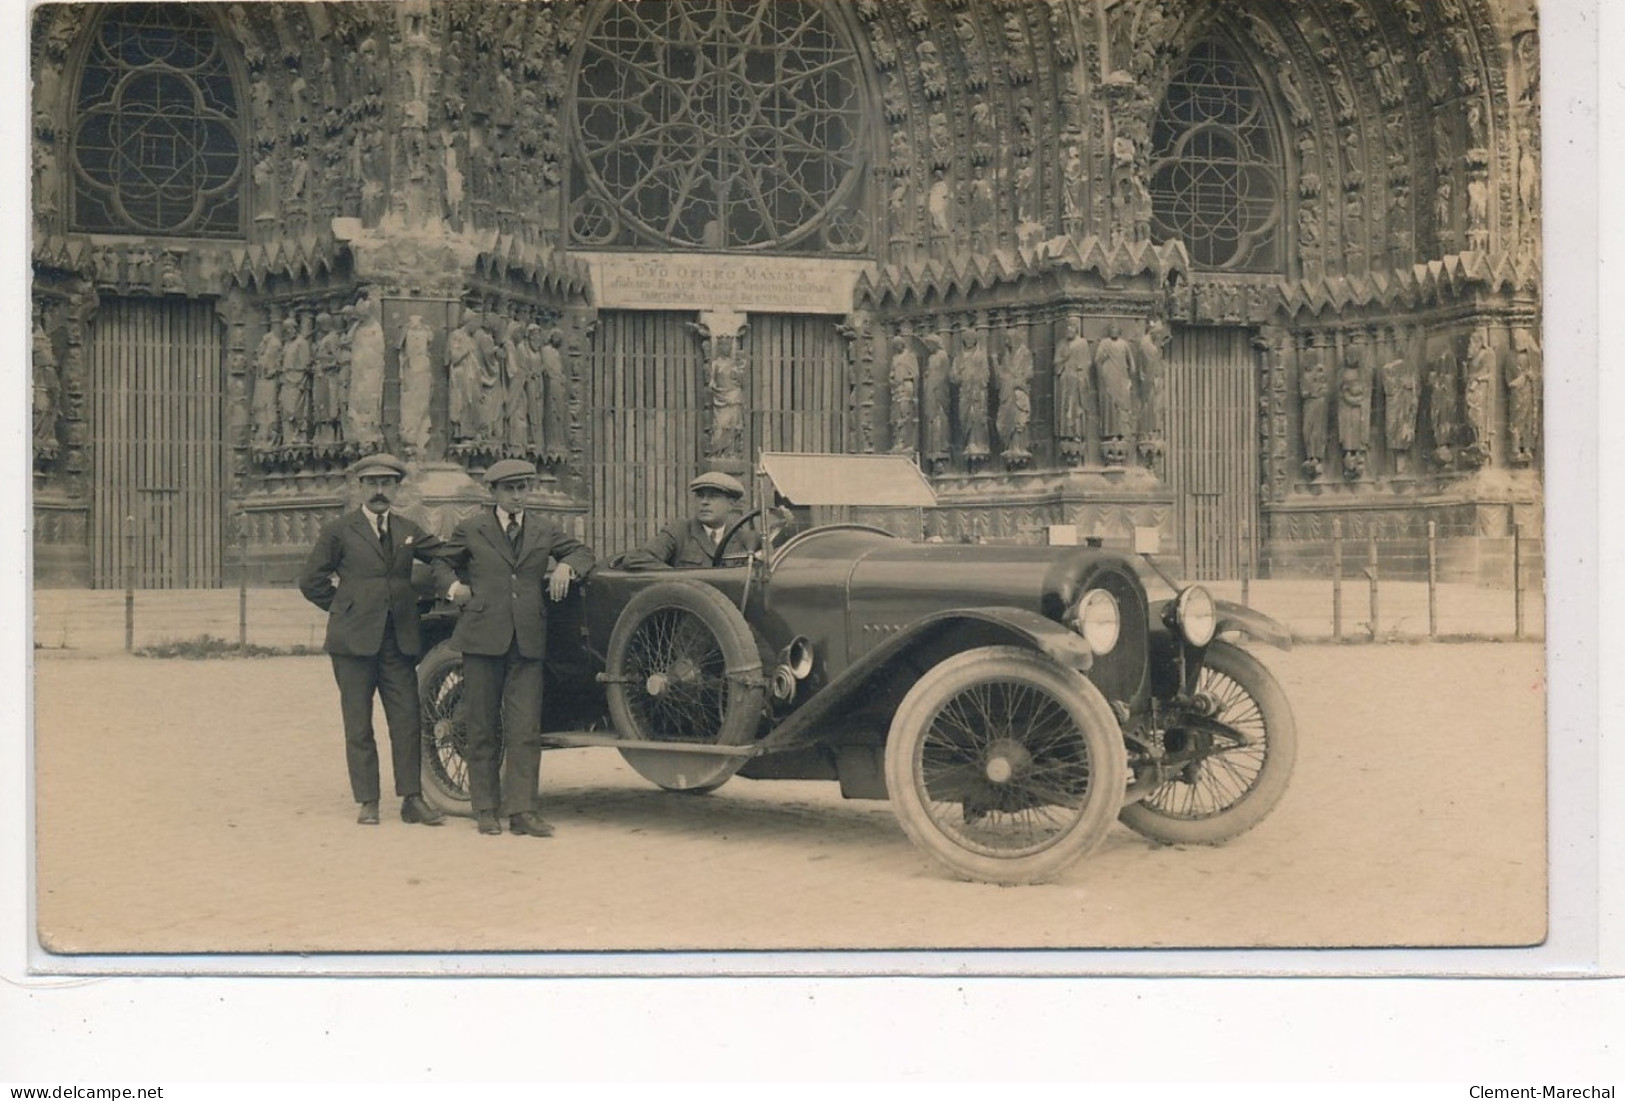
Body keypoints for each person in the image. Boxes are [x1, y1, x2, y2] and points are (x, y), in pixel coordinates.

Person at [437, 458, 596, 837]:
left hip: (527, 639)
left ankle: (523, 811)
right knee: (482, 724)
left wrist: (565, 568)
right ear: (492, 493)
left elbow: (583, 552)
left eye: (523, 488)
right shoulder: (471, 528)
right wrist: (453, 589)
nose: (518, 496)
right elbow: (441, 564)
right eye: (510, 489)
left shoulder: (542, 529)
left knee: (525, 728)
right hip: (482, 636)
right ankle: (486, 809)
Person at [297, 454, 450, 827]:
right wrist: (344, 609)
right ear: (360, 487)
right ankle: (368, 801)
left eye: (387, 483)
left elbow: (445, 553)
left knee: (407, 720)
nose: (380, 490)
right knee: (358, 723)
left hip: (398, 643)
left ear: (398, 488)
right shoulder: (339, 531)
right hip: (352, 645)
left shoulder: (407, 529)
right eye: (372, 483)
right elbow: (310, 581)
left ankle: (412, 799)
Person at [619, 471, 758, 570]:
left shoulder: (743, 539)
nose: (704, 502)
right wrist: (681, 580)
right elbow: (636, 559)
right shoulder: (679, 531)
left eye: (713, 496)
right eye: (700, 496)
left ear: (731, 503)